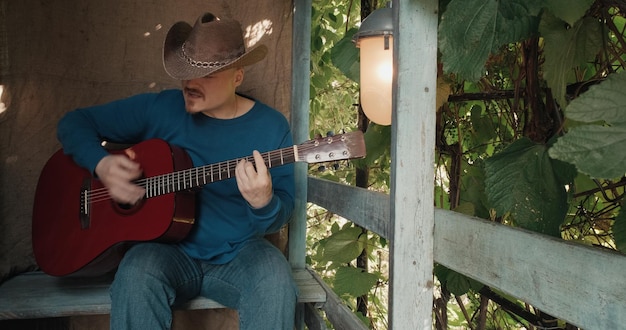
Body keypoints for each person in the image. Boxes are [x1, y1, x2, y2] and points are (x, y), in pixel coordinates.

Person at [57, 12, 297, 329]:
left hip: (239, 253)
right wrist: (101, 164)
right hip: (165, 250)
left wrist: (263, 202)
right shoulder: (161, 108)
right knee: (136, 272)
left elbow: (285, 206)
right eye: (185, 73)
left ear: (237, 76)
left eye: (207, 76)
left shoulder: (271, 128)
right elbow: (73, 123)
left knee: (276, 277)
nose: (190, 85)